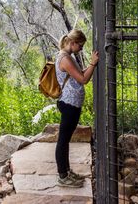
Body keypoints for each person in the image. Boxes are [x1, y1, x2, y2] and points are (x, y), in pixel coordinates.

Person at [55, 29, 99, 188]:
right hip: (68, 104)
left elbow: (80, 74)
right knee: (63, 140)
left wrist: (90, 65)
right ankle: (62, 177)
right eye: (80, 46)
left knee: (65, 140)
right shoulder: (64, 59)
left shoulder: (69, 56)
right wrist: (93, 63)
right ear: (72, 43)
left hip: (72, 104)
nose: (81, 49)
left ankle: (67, 171)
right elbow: (83, 79)